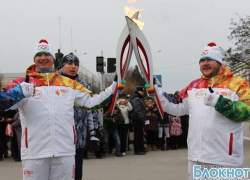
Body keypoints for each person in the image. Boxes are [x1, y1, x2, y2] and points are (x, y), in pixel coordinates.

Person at [0, 39, 118, 180]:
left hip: (65, 152)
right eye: (39, 55)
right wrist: (18, 92)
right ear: (34, 59)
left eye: (47, 54)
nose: (43, 58)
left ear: (53, 59)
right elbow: (2, 101)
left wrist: (113, 88)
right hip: (34, 153)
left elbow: (92, 103)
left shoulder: (68, 83)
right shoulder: (23, 82)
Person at [152, 42, 250, 179]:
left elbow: (247, 111)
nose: (205, 63)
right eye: (202, 61)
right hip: (196, 158)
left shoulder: (238, 84)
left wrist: (219, 102)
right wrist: (157, 93)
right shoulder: (194, 86)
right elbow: (176, 107)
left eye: (209, 60)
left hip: (225, 160)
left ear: (219, 62)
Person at [59, 53, 101, 180]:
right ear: (61, 66)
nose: (73, 67)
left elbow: (91, 111)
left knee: (76, 175)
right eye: (69, 64)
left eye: (76, 64)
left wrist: (93, 134)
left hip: (77, 139)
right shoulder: (54, 83)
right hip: (58, 140)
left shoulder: (83, 86)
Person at [130, 86, 147, 155]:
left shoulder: (139, 98)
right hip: (137, 119)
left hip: (139, 118)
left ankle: (141, 148)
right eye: (141, 91)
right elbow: (137, 110)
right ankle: (137, 150)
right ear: (138, 91)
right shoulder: (136, 99)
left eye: (143, 91)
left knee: (140, 134)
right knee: (137, 135)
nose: (142, 93)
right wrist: (141, 118)